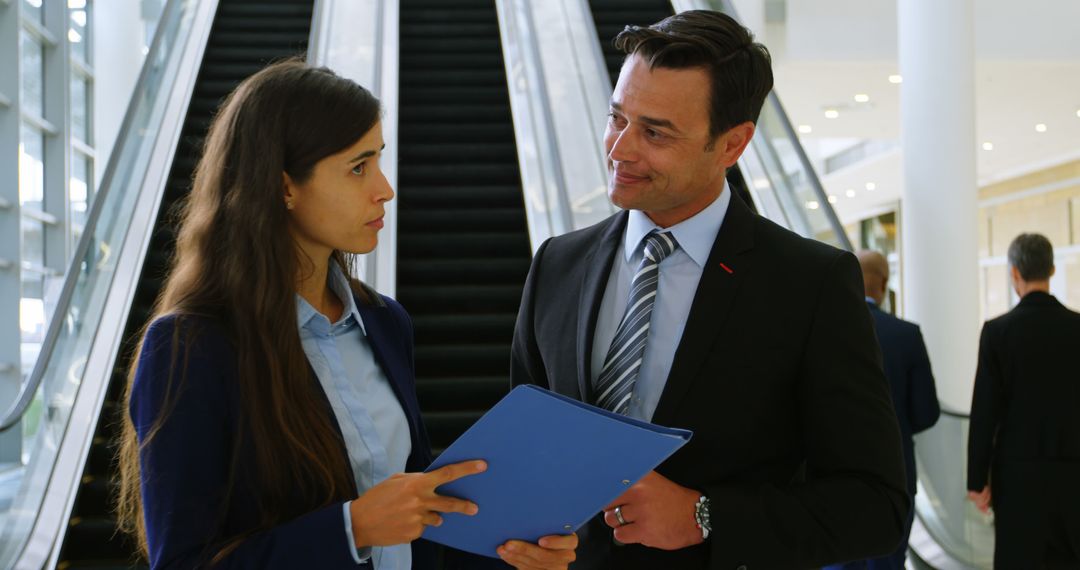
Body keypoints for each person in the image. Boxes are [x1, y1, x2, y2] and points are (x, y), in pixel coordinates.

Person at [115, 59, 576, 570]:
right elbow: (182, 562)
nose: (384, 189)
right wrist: (351, 528)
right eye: (358, 167)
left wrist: (512, 555)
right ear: (283, 186)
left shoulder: (385, 322)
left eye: (379, 160)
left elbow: (420, 531)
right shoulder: (189, 347)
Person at [510, 10, 908, 570]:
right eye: (616, 117)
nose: (620, 149)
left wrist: (705, 516)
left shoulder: (809, 284)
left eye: (655, 132)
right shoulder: (558, 263)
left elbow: (876, 507)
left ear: (732, 145)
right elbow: (527, 445)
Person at [968, 233, 1080, 568]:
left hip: (1017, 479)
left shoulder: (997, 332)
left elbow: (984, 411)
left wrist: (977, 480)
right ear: (1052, 270)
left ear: (1014, 273)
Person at [824, 250, 940, 570]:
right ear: (884, 283)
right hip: (895, 475)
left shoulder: (819, 331)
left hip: (829, 479)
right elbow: (927, 412)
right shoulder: (906, 335)